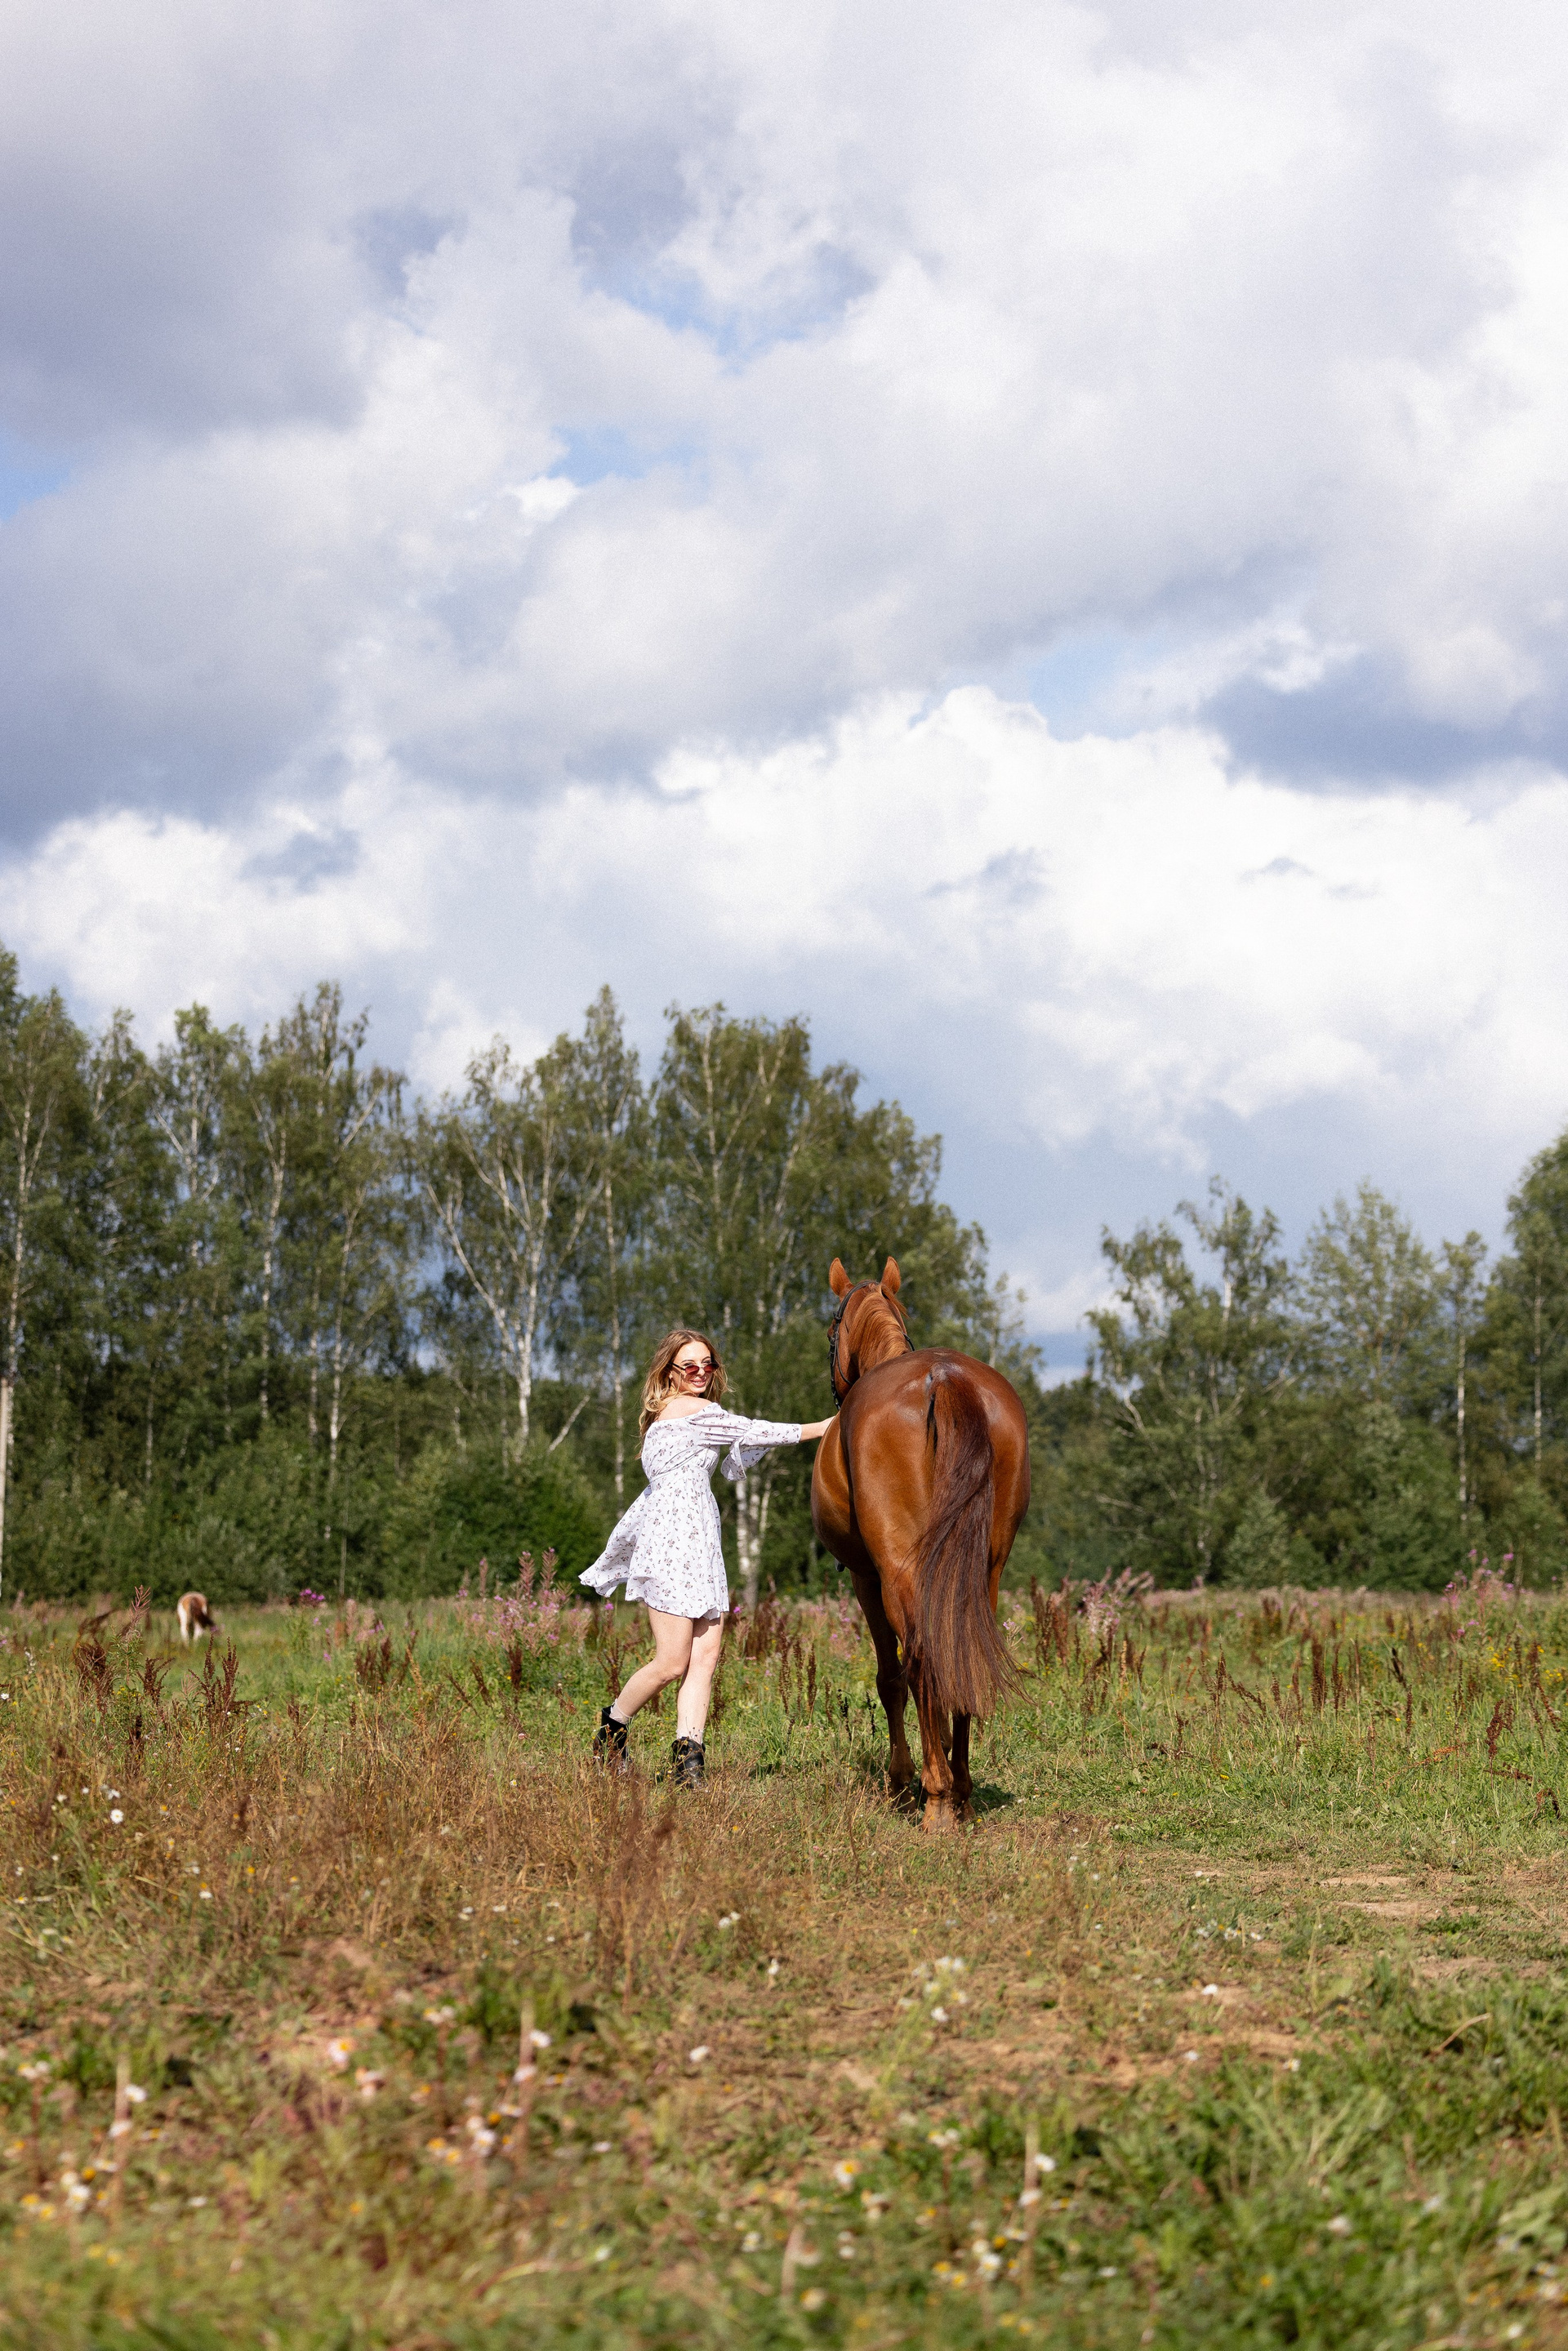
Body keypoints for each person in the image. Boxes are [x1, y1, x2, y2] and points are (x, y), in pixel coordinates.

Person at [580, 1328, 833, 1787]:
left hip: (699, 1542)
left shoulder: (680, 1414)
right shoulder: (692, 1411)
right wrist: (823, 1427)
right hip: (671, 1544)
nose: (700, 1372)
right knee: (672, 1662)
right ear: (670, 1373)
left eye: (707, 1364)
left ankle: (689, 1763)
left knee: (706, 1657)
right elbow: (752, 1431)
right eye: (689, 1366)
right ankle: (611, 1730)